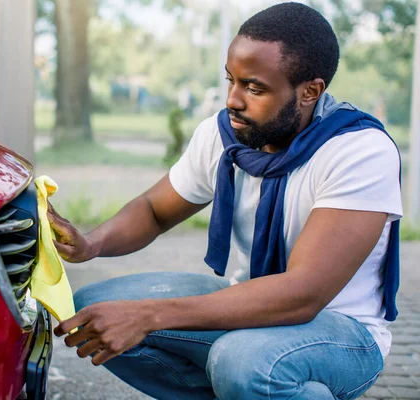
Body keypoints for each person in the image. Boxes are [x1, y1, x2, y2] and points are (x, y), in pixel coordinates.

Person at [48, 3, 403, 399]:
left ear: (310, 92)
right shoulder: (226, 135)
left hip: (341, 331)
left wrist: (148, 315)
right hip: (251, 309)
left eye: (254, 88)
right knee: (96, 308)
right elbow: (153, 211)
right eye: (230, 80)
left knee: (242, 361)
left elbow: (304, 294)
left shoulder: (358, 151)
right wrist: (91, 243)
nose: (233, 100)